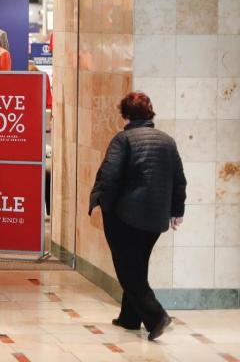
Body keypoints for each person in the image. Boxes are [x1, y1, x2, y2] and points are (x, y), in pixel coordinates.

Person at [89, 91, 186, 342]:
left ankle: (156, 316)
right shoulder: (167, 141)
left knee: (127, 270)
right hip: (155, 219)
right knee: (137, 265)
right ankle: (129, 317)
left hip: (126, 216)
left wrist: (105, 205)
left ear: (126, 114)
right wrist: (177, 211)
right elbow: (178, 180)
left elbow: (108, 176)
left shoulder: (124, 139)